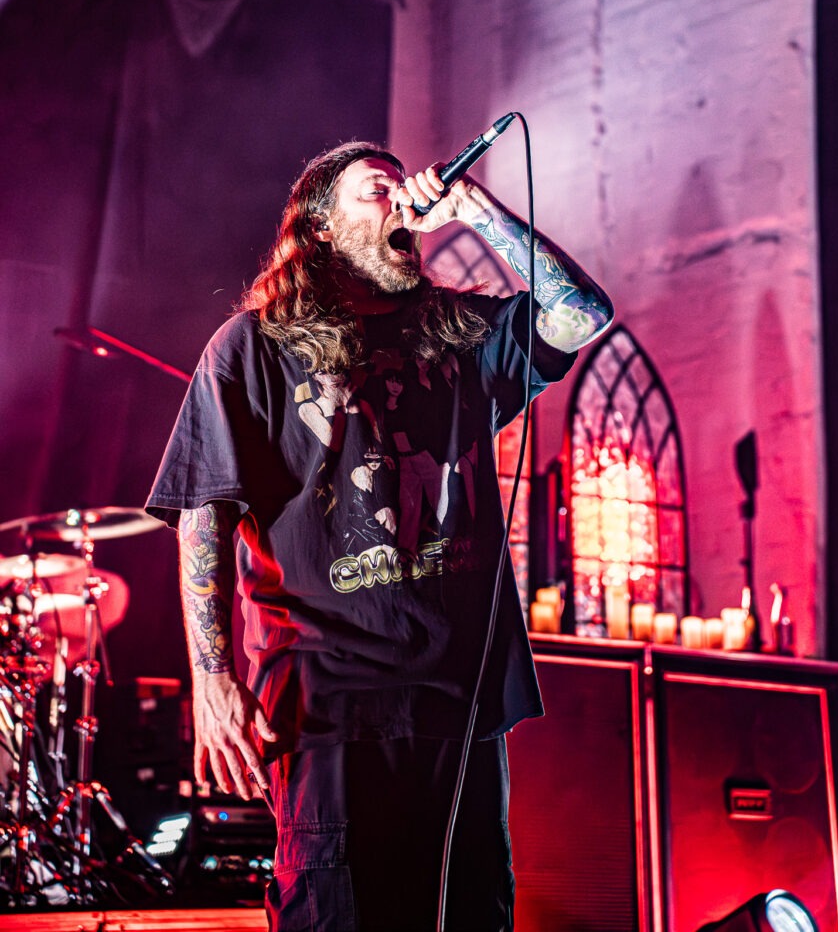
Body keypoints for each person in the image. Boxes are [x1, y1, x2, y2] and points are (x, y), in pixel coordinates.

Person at [146, 139, 613, 931]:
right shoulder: (255, 347)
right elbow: (204, 516)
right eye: (376, 190)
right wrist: (214, 678)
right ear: (321, 228)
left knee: (471, 912)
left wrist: (479, 212)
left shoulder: (460, 334)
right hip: (329, 697)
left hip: (460, 696)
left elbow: (582, 316)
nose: (403, 201)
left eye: (404, 188)